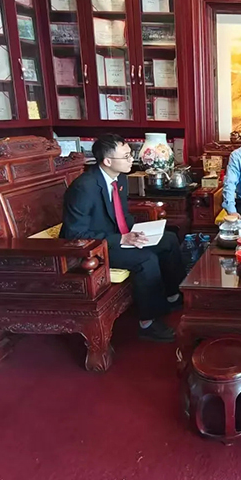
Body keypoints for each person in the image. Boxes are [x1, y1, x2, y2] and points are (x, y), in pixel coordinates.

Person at [61, 134, 185, 343]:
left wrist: (136, 232)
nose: (131, 160)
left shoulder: (119, 177)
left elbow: (121, 213)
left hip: (117, 235)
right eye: (126, 156)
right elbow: (75, 235)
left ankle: (172, 296)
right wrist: (121, 240)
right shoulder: (84, 188)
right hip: (94, 246)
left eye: (130, 155)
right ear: (107, 161)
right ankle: (148, 323)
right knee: (146, 259)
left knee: (169, 240)